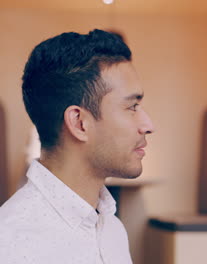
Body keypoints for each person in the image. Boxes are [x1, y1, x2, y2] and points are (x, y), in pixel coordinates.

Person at [0, 29, 154, 263]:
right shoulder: (12, 243)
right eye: (132, 107)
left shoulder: (112, 228)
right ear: (79, 123)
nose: (148, 125)